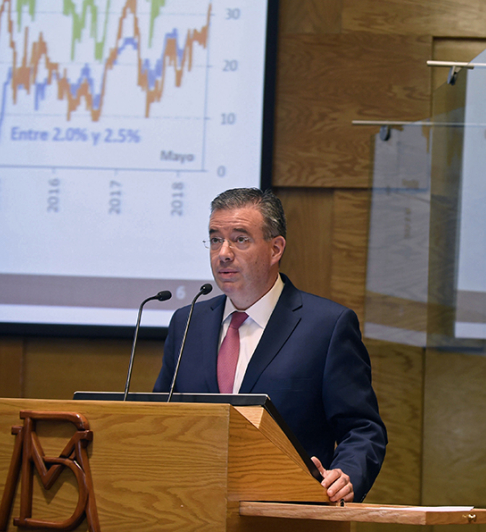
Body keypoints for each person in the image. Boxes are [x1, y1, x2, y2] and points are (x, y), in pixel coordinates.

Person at [154, 188, 387, 503]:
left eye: (240, 239)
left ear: (276, 248)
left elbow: (362, 428)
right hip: (191, 507)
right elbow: (158, 418)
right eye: (215, 239)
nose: (223, 253)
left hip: (287, 511)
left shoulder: (326, 326)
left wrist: (346, 474)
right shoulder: (187, 323)